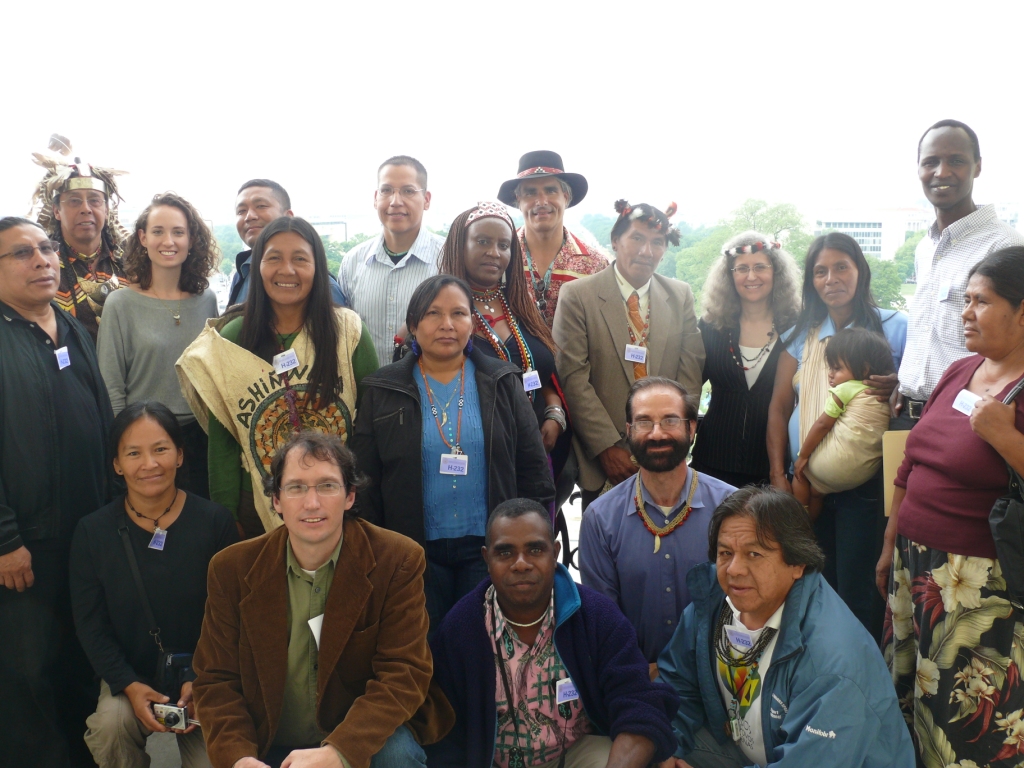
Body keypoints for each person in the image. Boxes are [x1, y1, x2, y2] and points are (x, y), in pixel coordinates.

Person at [192, 431, 454, 768]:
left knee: (397, 754)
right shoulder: (231, 569)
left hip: (360, 733)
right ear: (276, 500)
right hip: (269, 738)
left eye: (327, 486)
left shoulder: (397, 559)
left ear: (349, 496)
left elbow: (404, 672)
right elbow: (216, 679)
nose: (311, 503)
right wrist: (239, 758)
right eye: (296, 487)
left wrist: (339, 752)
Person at [878, 247, 1024, 767]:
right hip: (915, 567)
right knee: (913, 697)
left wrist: (1004, 437)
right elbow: (910, 464)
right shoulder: (960, 370)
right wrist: (891, 541)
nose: (965, 312)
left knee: (967, 717)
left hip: (977, 585)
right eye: (965, 299)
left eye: (981, 301)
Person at [657, 486, 914, 768]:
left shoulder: (833, 662)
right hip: (747, 752)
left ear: (798, 563)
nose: (733, 569)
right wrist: (667, 745)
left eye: (754, 554)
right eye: (725, 553)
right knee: (649, 746)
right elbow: (676, 683)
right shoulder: (713, 601)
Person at [351, 275, 554, 629]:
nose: (447, 324)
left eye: (459, 313)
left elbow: (533, 473)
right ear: (413, 325)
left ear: (472, 323)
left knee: (478, 650)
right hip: (412, 551)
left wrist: (529, 545)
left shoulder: (503, 382)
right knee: (422, 650)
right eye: (433, 314)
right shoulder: (383, 389)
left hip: (489, 548)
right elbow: (364, 482)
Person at [428, 498, 680, 768]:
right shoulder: (460, 630)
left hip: (576, 755)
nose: (521, 564)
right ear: (486, 559)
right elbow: (445, 736)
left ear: (555, 552)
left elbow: (639, 703)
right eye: (505, 553)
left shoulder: (596, 617)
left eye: (535, 549)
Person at [177, 216, 378, 538]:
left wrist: (361, 499)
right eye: (274, 258)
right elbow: (224, 440)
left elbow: (371, 426)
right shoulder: (234, 336)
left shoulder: (347, 332)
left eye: (300, 258)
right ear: (257, 266)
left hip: (334, 498)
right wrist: (228, 515)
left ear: (318, 267)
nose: (287, 270)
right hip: (255, 503)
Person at [0, 216, 114, 767]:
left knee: (77, 661)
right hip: (25, 544)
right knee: (28, 676)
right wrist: (3, 539)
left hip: (85, 532)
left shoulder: (69, 325)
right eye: (23, 253)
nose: (43, 259)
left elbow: (100, 416)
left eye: (46, 248)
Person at [70, 401, 238, 768]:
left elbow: (231, 617)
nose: (149, 464)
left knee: (219, 758)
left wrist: (202, 678)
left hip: (206, 679)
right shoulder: (92, 532)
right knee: (111, 727)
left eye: (161, 449)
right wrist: (128, 684)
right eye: (133, 453)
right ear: (116, 464)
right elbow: (90, 625)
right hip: (130, 677)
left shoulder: (215, 523)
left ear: (179, 454)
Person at [766, 232, 906, 639]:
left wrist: (899, 381)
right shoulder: (800, 333)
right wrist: (780, 474)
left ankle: (859, 680)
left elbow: (916, 393)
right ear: (811, 281)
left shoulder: (895, 328)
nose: (832, 279)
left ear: (860, 271)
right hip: (803, 482)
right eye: (820, 271)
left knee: (859, 590)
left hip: (865, 486)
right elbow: (778, 407)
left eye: (841, 267)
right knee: (810, 582)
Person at [554, 200, 704, 510]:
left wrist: (672, 437)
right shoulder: (578, 296)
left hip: (666, 452)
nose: (647, 251)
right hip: (605, 461)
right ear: (615, 240)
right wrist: (607, 447)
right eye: (637, 238)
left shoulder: (680, 296)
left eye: (657, 242)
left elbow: (690, 372)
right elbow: (573, 377)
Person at [580, 378, 736, 666]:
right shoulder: (600, 519)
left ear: (692, 428)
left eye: (670, 421)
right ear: (628, 432)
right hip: (634, 683)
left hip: (720, 681)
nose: (656, 434)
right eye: (643, 422)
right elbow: (602, 622)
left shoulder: (732, 508)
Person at [895, 120, 1024, 428]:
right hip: (905, 414)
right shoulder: (925, 247)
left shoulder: (1004, 244)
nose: (941, 172)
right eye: (930, 162)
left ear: (977, 167)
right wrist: (904, 379)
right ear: (918, 169)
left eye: (956, 161)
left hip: (965, 418)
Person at [438, 201, 572, 482]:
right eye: (483, 241)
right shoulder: (439, 313)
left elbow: (542, 373)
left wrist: (555, 412)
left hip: (533, 455)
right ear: (459, 246)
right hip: (475, 461)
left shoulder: (521, 306)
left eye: (504, 244)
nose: (494, 253)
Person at [97, 193, 220, 498]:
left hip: (201, 439)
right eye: (158, 231)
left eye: (178, 232)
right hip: (144, 440)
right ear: (142, 238)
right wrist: (126, 447)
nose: (169, 240)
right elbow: (111, 386)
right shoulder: (120, 304)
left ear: (191, 240)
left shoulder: (207, 301)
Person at [692, 233, 801, 487]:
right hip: (711, 464)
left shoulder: (796, 328)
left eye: (760, 267)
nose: (751, 276)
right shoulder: (711, 327)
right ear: (729, 275)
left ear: (777, 272)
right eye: (742, 268)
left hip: (773, 470)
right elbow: (688, 386)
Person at [338, 155, 444, 366]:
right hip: (368, 393)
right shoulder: (353, 262)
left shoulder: (448, 258)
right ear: (376, 198)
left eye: (408, 191)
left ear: (427, 200)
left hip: (428, 392)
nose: (396, 201)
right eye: (387, 191)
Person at [792, 328, 895, 521]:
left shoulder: (845, 389)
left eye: (837, 368)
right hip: (860, 474)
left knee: (801, 474)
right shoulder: (883, 395)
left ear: (864, 369)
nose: (830, 374)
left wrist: (803, 456)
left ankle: (799, 523)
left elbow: (823, 424)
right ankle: (809, 521)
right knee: (817, 491)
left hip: (830, 466)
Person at [30, 138, 128, 339]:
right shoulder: (40, 268)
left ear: (107, 210)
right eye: (74, 201)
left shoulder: (131, 262)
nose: (86, 209)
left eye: (94, 200)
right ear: (57, 211)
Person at [497, 150, 607, 326]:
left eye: (550, 191)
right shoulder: (500, 256)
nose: (541, 201)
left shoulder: (596, 265)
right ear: (519, 200)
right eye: (531, 193)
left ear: (565, 197)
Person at [228, 179, 345, 306]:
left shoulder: (323, 286)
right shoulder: (243, 272)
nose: (249, 216)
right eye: (241, 211)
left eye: (261, 206)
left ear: (288, 216)